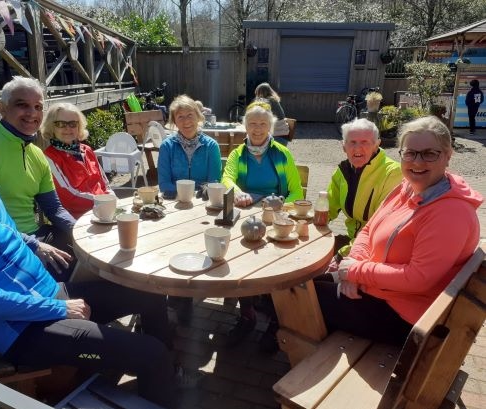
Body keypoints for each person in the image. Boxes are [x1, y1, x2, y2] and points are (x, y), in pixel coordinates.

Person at [0, 98, 176, 408]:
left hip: (50, 293)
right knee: (152, 355)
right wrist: (57, 308)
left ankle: (162, 374)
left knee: (151, 295)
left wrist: (35, 244)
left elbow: (5, 232)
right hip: (23, 329)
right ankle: (159, 373)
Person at [317, 116, 482, 346]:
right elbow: (369, 229)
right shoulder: (408, 187)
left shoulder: (451, 213)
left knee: (296, 296)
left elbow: (418, 279)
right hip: (377, 290)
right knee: (306, 284)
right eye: (410, 153)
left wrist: (355, 271)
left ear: (448, 155)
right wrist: (354, 267)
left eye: (429, 154)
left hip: (404, 316)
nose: (418, 162)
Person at [221, 103, 303, 351]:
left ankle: (276, 322)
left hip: (274, 217)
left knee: (278, 264)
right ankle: (247, 315)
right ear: (245, 126)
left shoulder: (282, 154)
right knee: (238, 259)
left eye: (263, 124)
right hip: (246, 216)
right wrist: (238, 192)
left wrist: (279, 206)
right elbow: (227, 178)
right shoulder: (237, 154)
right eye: (253, 124)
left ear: (270, 127)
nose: (257, 129)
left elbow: (296, 191)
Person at [0, 76, 76, 282]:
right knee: (71, 274)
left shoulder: (37, 154)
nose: (32, 113)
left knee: (90, 258)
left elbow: (54, 209)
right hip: (1, 244)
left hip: (37, 234)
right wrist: (32, 245)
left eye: (38, 107)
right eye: (22, 105)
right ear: (2, 108)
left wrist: (80, 232)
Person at [158, 94, 222, 324]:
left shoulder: (211, 146)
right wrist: (183, 193)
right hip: (174, 207)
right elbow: (163, 184)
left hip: (203, 209)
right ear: (174, 121)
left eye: (190, 115)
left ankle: (185, 294)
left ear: (198, 117)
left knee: (197, 244)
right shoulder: (167, 146)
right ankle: (178, 295)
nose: (186, 121)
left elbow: (214, 181)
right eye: (180, 117)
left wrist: (199, 192)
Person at [327, 118, 402, 257]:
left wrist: (342, 255)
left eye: (364, 142)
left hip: (377, 248)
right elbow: (327, 208)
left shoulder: (393, 173)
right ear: (344, 146)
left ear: (376, 145)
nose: (357, 148)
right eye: (352, 142)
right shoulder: (342, 171)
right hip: (352, 241)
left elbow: (380, 228)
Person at [42, 102, 114, 219]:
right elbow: (69, 197)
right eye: (61, 124)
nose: (68, 128)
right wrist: (104, 201)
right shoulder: (49, 157)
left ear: (79, 126)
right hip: (78, 218)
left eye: (73, 124)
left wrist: (113, 198)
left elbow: (104, 183)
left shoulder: (87, 150)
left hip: (104, 209)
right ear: (52, 127)